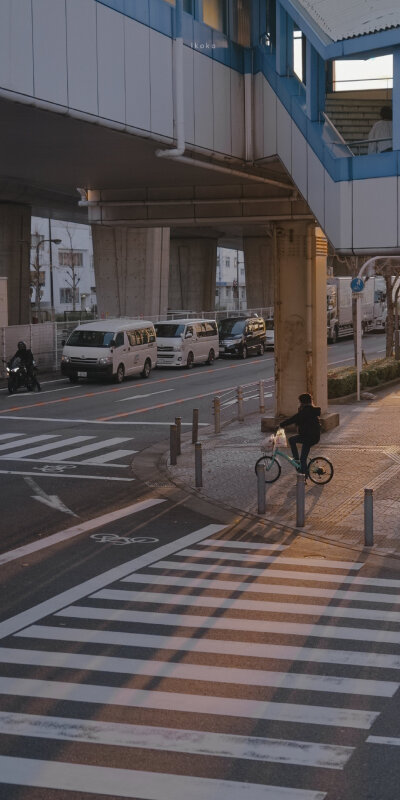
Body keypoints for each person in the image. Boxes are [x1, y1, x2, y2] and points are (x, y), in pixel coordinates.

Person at [279, 393, 321, 475]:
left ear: (303, 402)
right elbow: (297, 418)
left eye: (300, 402)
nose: (299, 403)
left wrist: (281, 425)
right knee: (292, 440)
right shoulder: (310, 410)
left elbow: (294, 419)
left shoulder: (306, 411)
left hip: (309, 437)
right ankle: (297, 461)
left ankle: (303, 475)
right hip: (311, 436)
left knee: (302, 458)